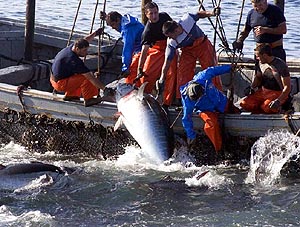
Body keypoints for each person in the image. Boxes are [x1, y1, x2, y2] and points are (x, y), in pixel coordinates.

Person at [156, 6, 222, 101]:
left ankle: (217, 97)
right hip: (187, 51)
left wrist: (212, 13)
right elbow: (167, 61)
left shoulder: (187, 20)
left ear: (176, 30)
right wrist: (162, 78)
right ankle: (184, 99)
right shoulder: (171, 43)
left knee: (211, 70)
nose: (170, 39)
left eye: (171, 36)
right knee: (183, 73)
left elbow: (199, 15)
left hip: (203, 45)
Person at [126, 2, 177, 109]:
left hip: (170, 46)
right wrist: (140, 69)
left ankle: (167, 103)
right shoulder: (147, 31)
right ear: (146, 14)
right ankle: (144, 97)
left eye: (155, 13)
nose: (154, 16)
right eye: (151, 14)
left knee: (171, 74)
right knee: (147, 73)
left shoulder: (165, 17)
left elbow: (175, 29)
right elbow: (144, 51)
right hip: (156, 50)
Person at [51, 29, 113, 107]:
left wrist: (95, 33)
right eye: (84, 50)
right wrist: (105, 89)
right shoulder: (73, 60)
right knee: (87, 77)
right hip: (60, 84)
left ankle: (71, 95)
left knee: (79, 74)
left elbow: (86, 39)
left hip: (56, 79)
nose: (86, 52)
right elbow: (91, 78)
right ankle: (89, 99)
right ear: (77, 49)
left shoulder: (71, 48)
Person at [180, 64, 234, 152]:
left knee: (235, 111)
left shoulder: (203, 76)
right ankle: (219, 150)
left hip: (221, 102)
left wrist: (228, 68)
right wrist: (191, 135)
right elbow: (186, 118)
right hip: (206, 110)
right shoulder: (188, 101)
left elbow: (213, 70)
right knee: (211, 125)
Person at [239, 44, 291, 113]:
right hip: (263, 91)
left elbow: (287, 87)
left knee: (267, 107)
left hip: (278, 93)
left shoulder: (280, 65)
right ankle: (259, 113)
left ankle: (280, 109)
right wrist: (252, 88)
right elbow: (258, 77)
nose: (257, 58)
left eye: (258, 56)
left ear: (265, 55)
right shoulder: (260, 63)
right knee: (244, 104)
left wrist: (278, 100)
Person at [101, 11, 144, 78]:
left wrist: (125, 67)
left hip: (141, 50)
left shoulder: (127, 29)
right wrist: (106, 18)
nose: (112, 27)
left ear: (118, 20)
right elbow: (119, 27)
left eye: (112, 24)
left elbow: (127, 49)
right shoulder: (126, 20)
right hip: (140, 46)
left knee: (132, 71)